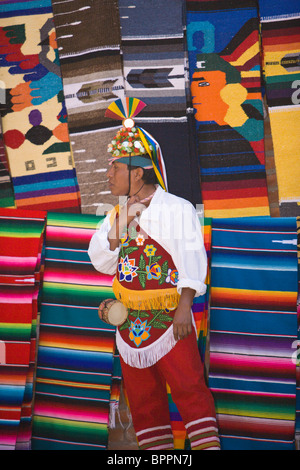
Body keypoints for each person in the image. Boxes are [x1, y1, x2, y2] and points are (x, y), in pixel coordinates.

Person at [88, 99, 220, 450]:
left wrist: (184, 306)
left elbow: (192, 258)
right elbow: (99, 260)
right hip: (129, 327)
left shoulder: (176, 209)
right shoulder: (115, 214)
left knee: (190, 389)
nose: (108, 174)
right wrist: (121, 223)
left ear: (138, 172)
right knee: (144, 401)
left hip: (169, 321)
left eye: (115, 168)